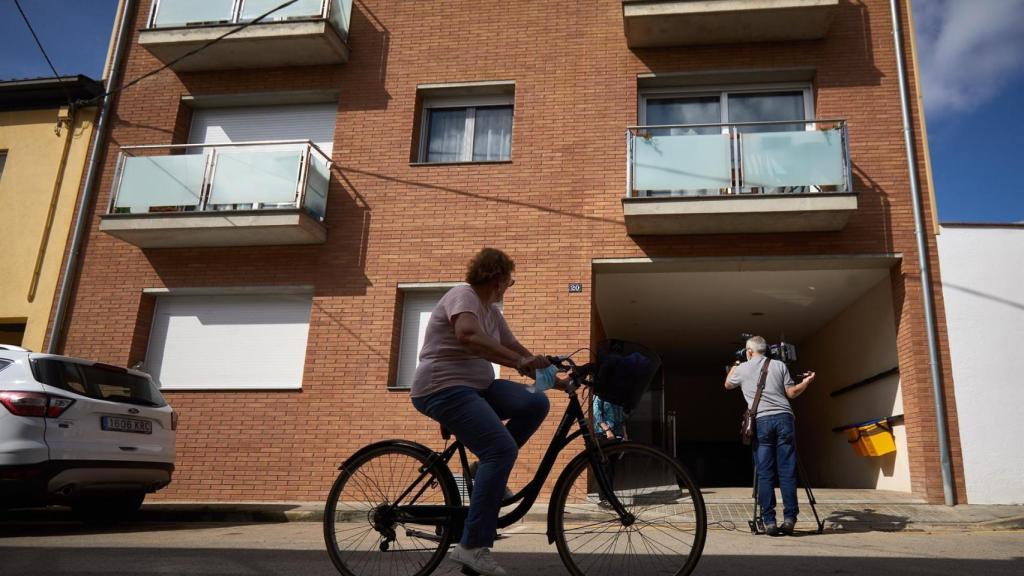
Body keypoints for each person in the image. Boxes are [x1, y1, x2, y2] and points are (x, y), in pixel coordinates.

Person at [410, 248, 555, 576]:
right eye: (509, 281)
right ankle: (472, 546)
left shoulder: (492, 312)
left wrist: (560, 382)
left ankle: (481, 468)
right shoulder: (464, 295)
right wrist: (519, 362)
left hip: (477, 388)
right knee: (501, 450)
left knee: (535, 402)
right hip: (442, 387)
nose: (508, 286)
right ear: (498, 279)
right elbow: (468, 336)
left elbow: (518, 351)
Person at [724, 335, 814, 536]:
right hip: (784, 419)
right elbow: (791, 393)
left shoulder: (741, 368)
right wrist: (807, 381)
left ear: (749, 351)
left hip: (762, 422)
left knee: (765, 472)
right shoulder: (779, 365)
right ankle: (790, 519)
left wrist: (736, 362)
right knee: (787, 470)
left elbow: (727, 384)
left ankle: (769, 521)